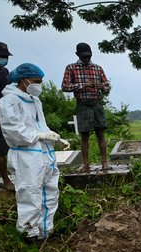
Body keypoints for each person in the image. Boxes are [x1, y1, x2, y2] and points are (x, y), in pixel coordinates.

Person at [0, 63, 70, 239]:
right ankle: (29, 234)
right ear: (24, 79)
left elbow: (40, 126)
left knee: (50, 194)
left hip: (45, 154)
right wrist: (41, 136)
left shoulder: (34, 100)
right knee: (30, 194)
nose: (39, 85)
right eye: (36, 81)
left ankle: (45, 231)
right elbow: (13, 131)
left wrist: (55, 138)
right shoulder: (9, 101)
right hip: (26, 156)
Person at [61, 42, 111, 172]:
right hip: (83, 104)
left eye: (88, 56)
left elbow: (107, 86)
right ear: (77, 54)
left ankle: (105, 162)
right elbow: (65, 86)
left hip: (97, 103)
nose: (86, 59)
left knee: (101, 133)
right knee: (84, 136)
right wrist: (83, 85)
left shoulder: (98, 68)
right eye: (84, 56)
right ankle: (85, 164)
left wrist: (103, 87)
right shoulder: (71, 68)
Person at [0, 41, 14, 191]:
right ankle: (6, 181)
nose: (4, 59)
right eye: (1, 56)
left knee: (9, 145)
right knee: (0, 149)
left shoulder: (5, 71)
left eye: (5, 56)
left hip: (6, 112)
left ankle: (10, 177)